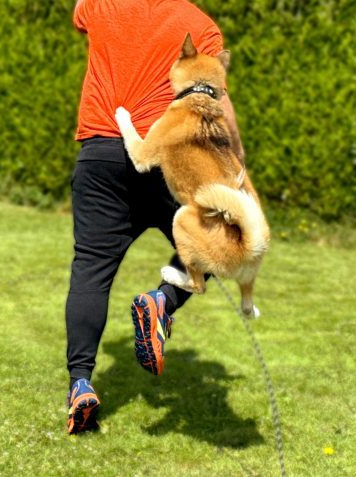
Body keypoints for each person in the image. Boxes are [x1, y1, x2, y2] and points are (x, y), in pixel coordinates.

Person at [66, 0, 244, 434]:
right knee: (223, 239)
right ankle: (163, 300)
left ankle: (81, 384)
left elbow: (78, 15)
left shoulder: (100, 5)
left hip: (102, 155)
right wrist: (237, 163)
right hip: (170, 158)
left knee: (91, 270)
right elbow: (219, 100)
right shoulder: (200, 26)